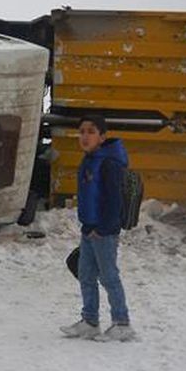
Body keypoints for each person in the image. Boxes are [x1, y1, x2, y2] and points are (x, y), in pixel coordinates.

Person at [60, 115, 135, 342]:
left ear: (102, 137)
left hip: (104, 231)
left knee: (109, 276)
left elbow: (113, 201)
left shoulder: (109, 164)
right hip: (89, 229)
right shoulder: (90, 160)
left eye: (91, 131)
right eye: (82, 131)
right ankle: (90, 321)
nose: (85, 136)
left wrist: (102, 228)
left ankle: (122, 323)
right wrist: (88, 226)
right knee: (86, 275)